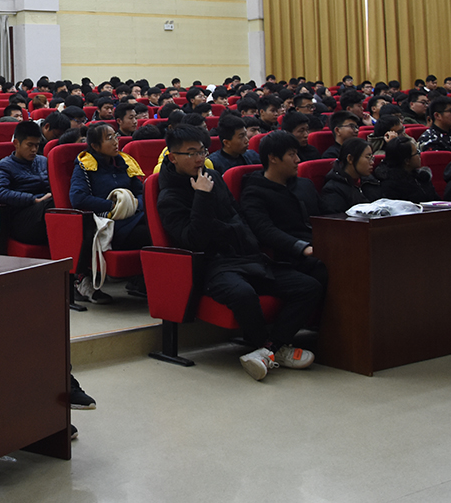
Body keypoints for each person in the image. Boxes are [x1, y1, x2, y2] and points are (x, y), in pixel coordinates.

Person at [156, 124, 321, 381]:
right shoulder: (169, 196)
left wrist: (248, 240)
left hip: (246, 256)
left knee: (308, 286)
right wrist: (201, 197)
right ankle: (273, 349)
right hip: (212, 266)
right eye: (191, 153)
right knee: (242, 293)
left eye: (202, 151)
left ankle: (270, 349)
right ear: (173, 157)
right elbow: (194, 240)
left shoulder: (213, 177)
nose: (199, 158)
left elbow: (236, 213)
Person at [69, 123, 150, 303]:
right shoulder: (84, 166)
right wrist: (113, 206)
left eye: (115, 136)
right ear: (95, 146)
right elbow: (78, 199)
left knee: (158, 223)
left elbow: (141, 192)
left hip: (133, 215)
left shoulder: (123, 162)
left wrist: (135, 204)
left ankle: (142, 281)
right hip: (108, 222)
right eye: (109, 138)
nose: (115, 142)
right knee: (149, 232)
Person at [240, 132, 328, 283]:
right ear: (273, 158)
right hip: (288, 256)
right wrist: (301, 247)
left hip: (321, 245)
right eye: (291, 155)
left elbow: (325, 215)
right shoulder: (254, 192)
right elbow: (265, 231)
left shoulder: (305, 184)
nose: (297, 160)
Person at [0, 120, 51, 247]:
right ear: (16, 143)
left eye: (37, 145)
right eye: (30, 145)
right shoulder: (4, 166)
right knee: (52, 205)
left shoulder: (43, 161)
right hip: (21, 220)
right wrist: (33, 199)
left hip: (43, 211)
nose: (34, 150)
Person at [319, 137, 380, 214]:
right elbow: (335, 218)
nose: (372, 162)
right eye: (368, 157)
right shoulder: (333, 189)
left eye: (372, 158)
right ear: (350, 159)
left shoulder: (369, 180)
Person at [374, 136, 439, 203]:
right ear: (407, 161)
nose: (419, 155)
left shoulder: (421, 176)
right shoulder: (391, 184)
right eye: (417, 153)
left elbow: (436, 201)